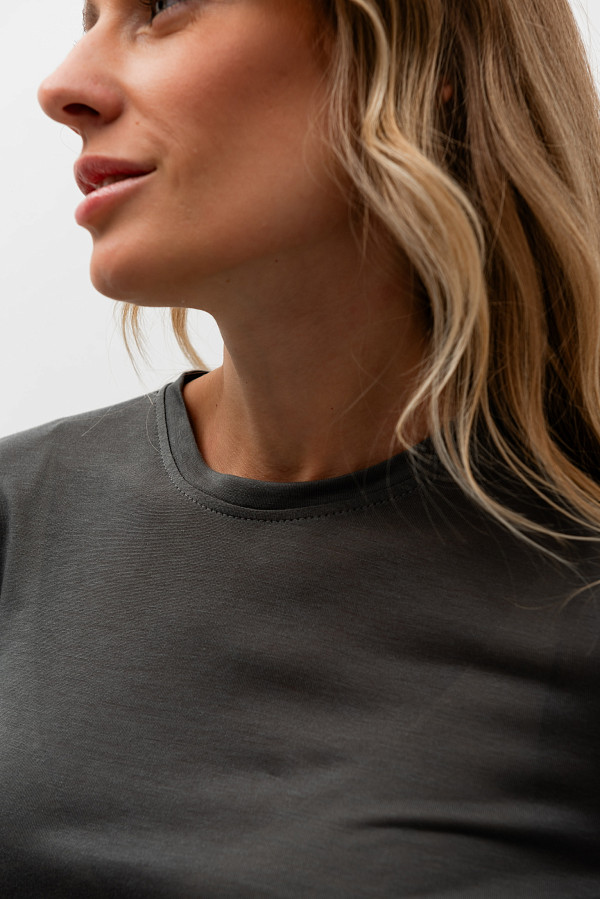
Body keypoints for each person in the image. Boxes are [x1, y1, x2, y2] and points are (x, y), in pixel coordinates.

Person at [1, 0, 599, 895]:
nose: (62, 87)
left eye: (161, 6)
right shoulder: (17, 520)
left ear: (422, 56)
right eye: (86, 17)